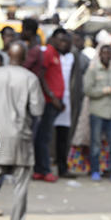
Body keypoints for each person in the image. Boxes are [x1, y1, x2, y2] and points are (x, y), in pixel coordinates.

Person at [0, 41, 44, 220]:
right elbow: (37, 109)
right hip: (20, 135)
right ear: (25, 57)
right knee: (21, 182)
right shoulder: (30, 78)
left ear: (8, 55)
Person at [83, 41, 111, 182]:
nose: (107, 56)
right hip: (97, 111)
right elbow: (88, 90)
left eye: (109, 53)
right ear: (100, 54)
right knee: (96, 144)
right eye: (104, 53)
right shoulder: (93, 70)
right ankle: (95, 171)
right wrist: (109, 90)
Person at [33, 28, 68, 182]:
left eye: (64, 40)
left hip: (54, 102)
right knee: (44, 137)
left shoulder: (56, 54)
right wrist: (52, 97)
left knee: (44, 136)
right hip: (48, 102)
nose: (63, 43)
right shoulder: (48, 52)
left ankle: (40, 169)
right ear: (53, 39)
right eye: (60, 39)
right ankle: (44, 170)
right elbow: (41, 76)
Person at [51, 29, 84, 179]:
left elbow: (75, 80)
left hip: (67, 101)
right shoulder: (51, 55)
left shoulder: (72, 56)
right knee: (49, 136)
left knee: (64, 136)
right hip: (52, 100)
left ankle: (63, 167)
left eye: (66, 41)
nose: (63, 44)